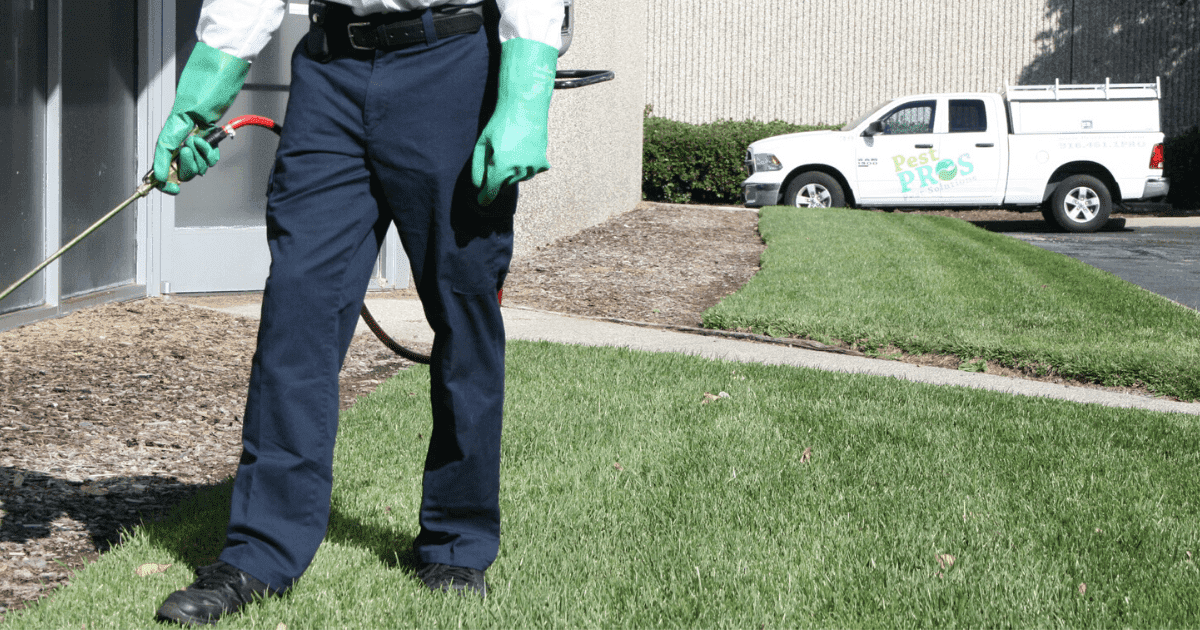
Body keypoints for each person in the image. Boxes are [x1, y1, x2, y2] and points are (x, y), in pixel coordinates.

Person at [151, 0, 562, 624]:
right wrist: (198, 98)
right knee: (296, 313)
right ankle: (259, 553)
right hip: (330, 70)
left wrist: (525, 94)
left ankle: (456, 545)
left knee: (464, 314)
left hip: (451, 62)